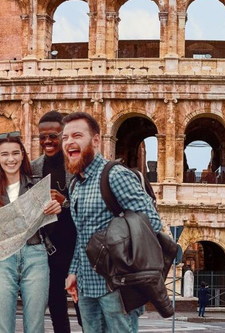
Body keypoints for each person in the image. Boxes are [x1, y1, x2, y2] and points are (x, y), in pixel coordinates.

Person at [62, 112, 163, 333]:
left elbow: (151, 223)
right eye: (65, 138)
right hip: (87, 287)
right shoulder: (75, 185)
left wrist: (114, 248)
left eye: (77, 135)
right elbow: (82, 235)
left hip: (117, 287)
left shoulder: (114, 175)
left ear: (96, 140)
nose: (69, 142)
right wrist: (74, 272)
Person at [0, 132, 61, 333]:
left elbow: (49, 228)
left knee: (35, 325)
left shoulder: (37, 185)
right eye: (5, 154)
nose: (11, 159)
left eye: (16, 153)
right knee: (2, 326)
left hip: (35, 254)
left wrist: (57, 209)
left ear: (23, 155)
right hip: (2, 259)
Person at [30, 111, 80, 333]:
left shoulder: (78, 166)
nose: (47, 141)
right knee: (57, 310)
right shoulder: (32, 169)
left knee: (83, 308)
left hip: (77, 247)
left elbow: (88, 206)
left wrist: (65, 202)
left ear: (63, 135)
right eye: (42, 137)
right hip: (48, 249)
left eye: (53, 135)